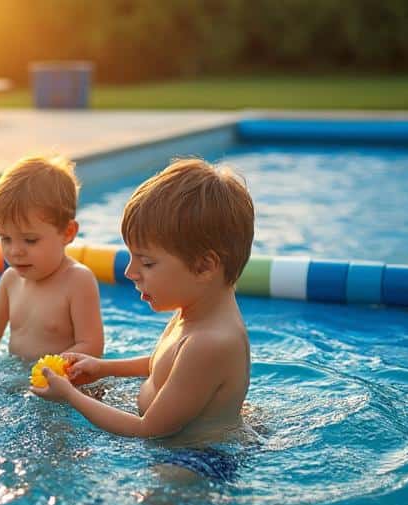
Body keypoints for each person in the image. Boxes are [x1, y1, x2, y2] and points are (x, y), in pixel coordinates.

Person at [30, 158, 255, 462]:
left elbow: (148, 430)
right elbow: (165, 363)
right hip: (173, 435)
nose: (130, 272)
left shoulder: (211, 342)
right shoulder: (195, 309)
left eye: (147, 263)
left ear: (204, 266)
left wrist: (70, 397)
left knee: (158, 498)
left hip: (196, 458)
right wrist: (103, 367)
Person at [0, 155, 104, 361]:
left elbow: (92, 345)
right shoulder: (11, 279)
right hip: (18, 381)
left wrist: (55, 367)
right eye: (5, 238)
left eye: (30, 240)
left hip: (64, 386)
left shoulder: (77, 281)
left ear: (67, 233)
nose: (15, 251)